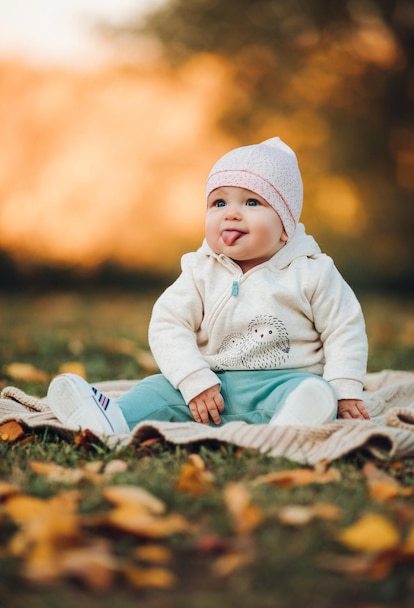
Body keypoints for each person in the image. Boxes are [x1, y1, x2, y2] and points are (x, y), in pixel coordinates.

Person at [47, 137, 370, 435]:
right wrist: (193, 379)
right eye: (219, 203)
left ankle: (293, 421)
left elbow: (343, 329)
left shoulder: (313, 271)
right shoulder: (199, 270)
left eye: (252, 203)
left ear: (285, 226)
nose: (231, 214)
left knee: (315, 392)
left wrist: (344, 389)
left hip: (283, 382)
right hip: (209, 386)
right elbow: (169, 324)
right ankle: (110, 420)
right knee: (155, 390)